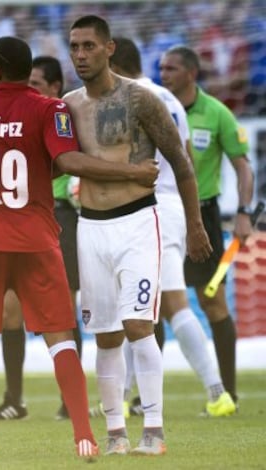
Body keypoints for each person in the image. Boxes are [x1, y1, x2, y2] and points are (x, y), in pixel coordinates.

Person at [0, 36, 159, 459]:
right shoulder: (51, 110)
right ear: (26, 69)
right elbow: (63, 160)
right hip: (38, 239)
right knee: (61, 338)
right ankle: (84, 437)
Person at [63, 16, 212, 456]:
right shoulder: (68, 106)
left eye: (89, 46)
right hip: (90, 226)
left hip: (137, 224)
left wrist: (196, 224)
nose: (80, 55)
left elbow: (182, 165)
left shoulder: (141, 99)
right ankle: (114, 434)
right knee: (105, 335)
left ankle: (154, 428)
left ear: (109, 49)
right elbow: (53, 162)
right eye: (74, 47)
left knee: (138, 326)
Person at [109, 37, 237, 417]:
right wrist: (191, 217)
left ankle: (217, 392)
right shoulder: (170, 100)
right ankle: (130, 393)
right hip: (171, 206)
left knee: (171, 304)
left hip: (150, 208)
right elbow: (185, 162)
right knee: (142, 306)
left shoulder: (129, 99)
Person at [159, 45, 254, 408]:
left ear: (191, 73)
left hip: (203, 215)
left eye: (171, 68)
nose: (163, 73)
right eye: (161, 67)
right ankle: (141, 398)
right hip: (163, 213)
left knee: (211, 300)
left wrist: (244, 211)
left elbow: (242, 165)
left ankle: (227, 390)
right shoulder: (156, 105)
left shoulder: (217, 114)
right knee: (153, 302)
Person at [0, 55, 82, 421]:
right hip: (15, 217)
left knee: (64, 310)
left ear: (56, 87)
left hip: (58, 215)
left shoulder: (62, 116)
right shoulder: (10, 117)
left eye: (37, 84)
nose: (29, 90)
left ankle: (69, 399)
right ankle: (14, 399)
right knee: (10, 308)